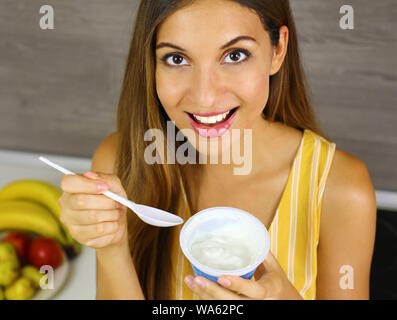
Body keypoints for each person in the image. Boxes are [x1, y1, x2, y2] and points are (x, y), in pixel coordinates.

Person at [59, 0, 376, 300]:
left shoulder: (341, 189)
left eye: (235, 55)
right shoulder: (120, 162)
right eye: (177, 59)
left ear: (277, 50)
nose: (205, 96)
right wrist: (110, 246)